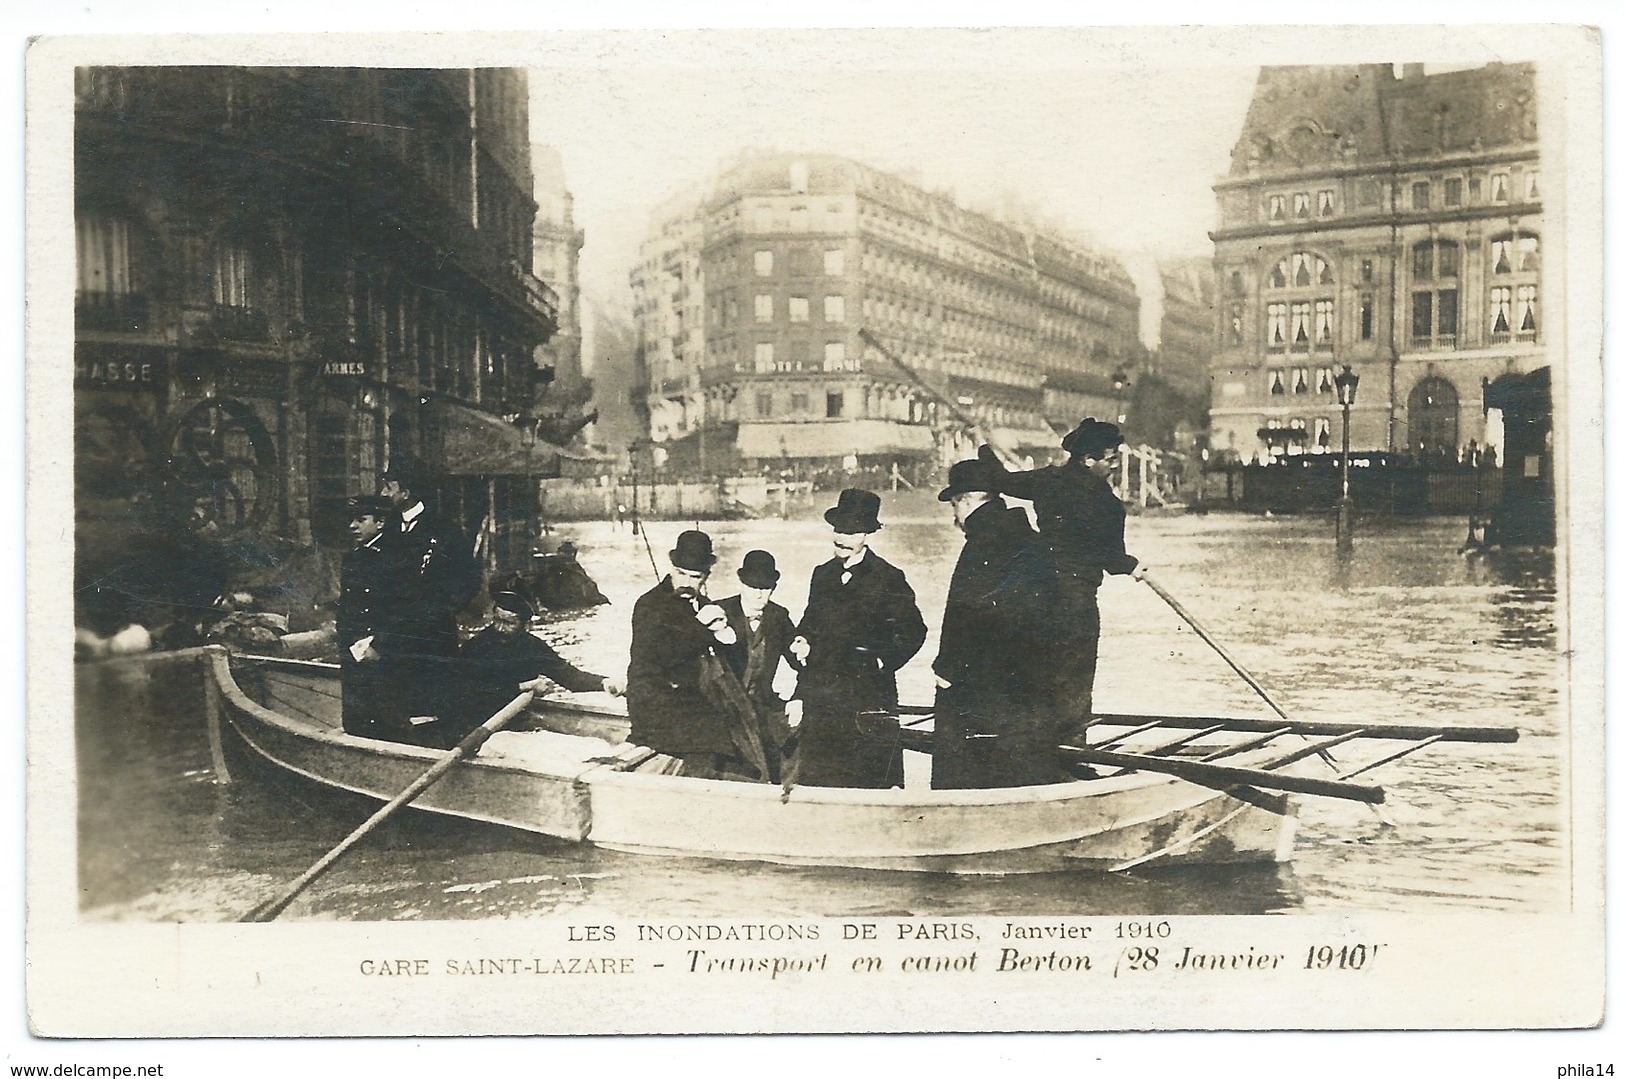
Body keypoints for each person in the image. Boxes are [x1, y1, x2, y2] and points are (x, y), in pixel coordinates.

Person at [980, 418, 1144, 732]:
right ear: (1088, 459)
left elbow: (1000, 480)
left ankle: (1035, 745)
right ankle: (1071, 748)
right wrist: (1134, 566)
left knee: (1039, 667)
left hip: (1036, 591)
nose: (1113, 466)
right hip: (1075, 599)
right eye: (1110, 459)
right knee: (1076, 675)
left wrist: (986, 450)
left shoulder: (1047, 480)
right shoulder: (1108, 505)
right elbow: (1112, 560)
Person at [930, 458, 1064, 789]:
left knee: (967, 764)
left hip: (982, 683)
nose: (954, 518)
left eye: (955, 506)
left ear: (967, 500)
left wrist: (948, 670)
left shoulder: (983, 541)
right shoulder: (1024, 537)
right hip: (1027, 680)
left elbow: (971, 613)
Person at [789, 489, 927, 788]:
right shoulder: (822, 574)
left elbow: (915, 631)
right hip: (822, 696)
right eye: (838, 529)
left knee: (870, 778)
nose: (841, 538)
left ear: (867, 534)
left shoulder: (888, 577)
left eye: (851, 532)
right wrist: (802, 638)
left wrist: (882, 660)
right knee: (821, 778)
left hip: (867, 695)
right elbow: (810, 621)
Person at [626, 529, 756, 779]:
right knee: (710, 740)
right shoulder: (649, 604)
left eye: (694, 577)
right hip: (654, 703)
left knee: (744, 746)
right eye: (680, 574)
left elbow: (730, 663)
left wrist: (728, 637)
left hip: (692, 701)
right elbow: (661, 656)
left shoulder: (706, 605)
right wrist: (702, 628)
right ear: (672, 568)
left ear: (705, 576)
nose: (685, 583)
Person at [432, 591, 623, 748]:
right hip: (471, 723)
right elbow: (470, 693)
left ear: (526, 625)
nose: (499, 628)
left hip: (513, 720)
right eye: (497, 620)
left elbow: (570, 678)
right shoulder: (478, 646)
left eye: (509, 623)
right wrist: (523, 687)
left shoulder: (533, 647)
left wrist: (604, 682)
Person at [378, 457, 483, 719]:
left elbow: (470, 576)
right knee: (398, 692)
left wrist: (445, 608)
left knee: (435, 692)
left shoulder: (443, 528)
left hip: (434, 630)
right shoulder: (389, 527)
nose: (383, 494)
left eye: (388, 487)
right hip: (395, 628)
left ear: (405, 492)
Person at [336, 494, 415, 740]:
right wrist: (347, 642)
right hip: (354, 651)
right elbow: (347, 607)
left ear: (380, 522)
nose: (353, 526)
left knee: (388, 717)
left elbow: (406, 610)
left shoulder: (399, 558)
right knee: (356, 716)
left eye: (361, 519)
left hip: (387, 653)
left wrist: (380, 645)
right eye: (350, 520)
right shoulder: (352, 559)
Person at [715, 550, 799, 782]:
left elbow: (800, 661)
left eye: (766, 588)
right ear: (741, 583)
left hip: (763, 703)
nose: (760, 594)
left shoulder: (778, 616)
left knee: (799, 738)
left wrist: (799, 698)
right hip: (725, 706)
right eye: (753, 586)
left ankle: (788, 793)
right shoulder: (720, 611)